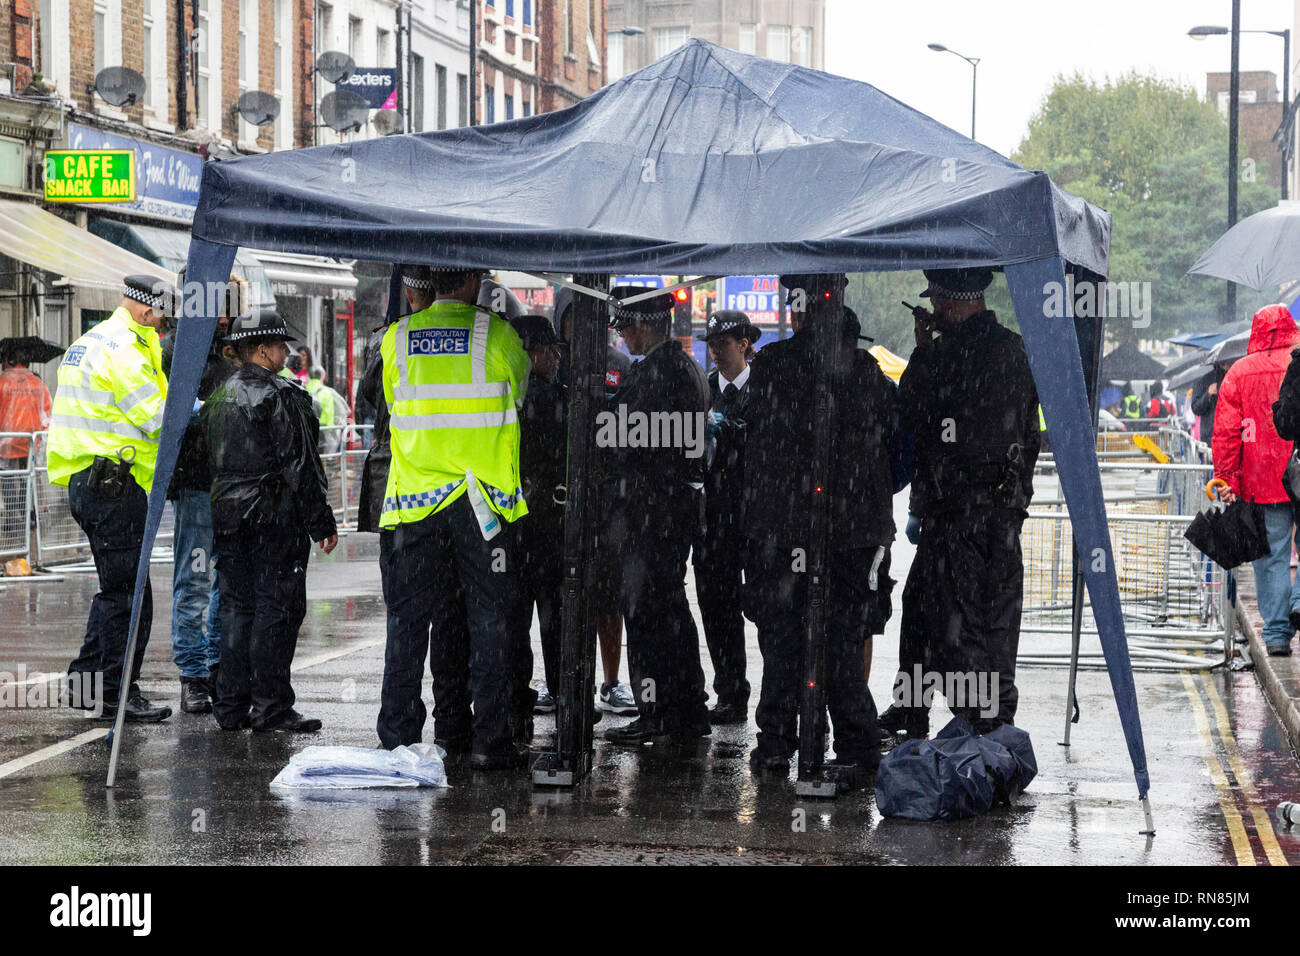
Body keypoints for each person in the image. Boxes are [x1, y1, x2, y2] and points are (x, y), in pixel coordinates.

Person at [376, 265, 531, 769]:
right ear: (471, 283)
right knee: (489, 620)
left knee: (407, 625)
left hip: (415, 502)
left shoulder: (397, 339)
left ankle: (398, 740)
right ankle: (490, 741)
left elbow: (394, 400)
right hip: (479, 502)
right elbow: (521, 394)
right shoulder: (499, 333)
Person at [741, 274, 892, 786]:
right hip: (853, 532)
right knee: (843, 645)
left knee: (783, 643)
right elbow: (898, 445)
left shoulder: (774, 367)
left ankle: (778, 746)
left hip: (785, 533)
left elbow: (747, 444)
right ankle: (855, 748)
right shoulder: (866, 372)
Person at [879, 268, 1040, 739]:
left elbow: (907, 413)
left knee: (952, 621)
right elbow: (1029, 433)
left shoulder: (942, 355)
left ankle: (976, 722)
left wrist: (924, 349)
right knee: (993, 617)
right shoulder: (1016, 350)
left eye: (936, 306)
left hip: (954, 515)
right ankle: (972, 713)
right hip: (1002, 511)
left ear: (949, 305)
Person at [203, 309, 338, 731]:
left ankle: (230, 704)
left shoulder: (218, 397)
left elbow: (200, 460)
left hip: (228, 517)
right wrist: (322, 522)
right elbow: (301, 465)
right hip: (273, 517)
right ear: (263, 350)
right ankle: (272, 706)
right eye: (281, 345)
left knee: (235, 609)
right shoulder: (281, 396)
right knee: (276, 611)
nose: (287, 352)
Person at [50, 275, 175, 722]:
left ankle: (87, 684)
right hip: (114, 487)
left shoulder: (92, 340)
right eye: (161, 315)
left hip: (88, 483)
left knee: (115, 592)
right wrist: (200, 409)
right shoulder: (127, 349)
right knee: (131, 596)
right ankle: (116, 692)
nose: (163, 324)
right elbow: (159, 418)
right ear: (146, 311)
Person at [601, 286, 713, 747]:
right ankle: (684, 707)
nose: (623, 336)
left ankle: (659, 712)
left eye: (626, 326)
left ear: (645, 323)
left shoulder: (659, 374)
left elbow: (620, 437)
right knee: (669, 610)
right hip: (668, 510)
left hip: (651, 512)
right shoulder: (682, 367)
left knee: (648, 614)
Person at [549, 287, 637, 716]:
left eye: (595, 318)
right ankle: (559, 681)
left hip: (608, 501)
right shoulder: (552, 363)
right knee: (561, 597)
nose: (585, 326)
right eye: (575, 317)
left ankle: (611, 681)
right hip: (559, 497)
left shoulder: (620, 365)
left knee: (608, 599)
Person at [161, 272, 243, 714]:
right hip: (197, 483)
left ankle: (213, 667)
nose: (226, 312)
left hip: (230, 484)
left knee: (224, 582)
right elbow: (171, 412)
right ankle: (193, 674)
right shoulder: (177, 348)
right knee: (194, 582)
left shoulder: (231, 347)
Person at [1215, 304, 1300, 656]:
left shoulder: (1239, 372)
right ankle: (1298, 600)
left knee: (1272, 557)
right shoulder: (1296, 362)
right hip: (1299, 471)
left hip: (1262, 479)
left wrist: (1226, 479)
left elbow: (1226, 434)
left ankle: (1278, 633)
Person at [692, 309, 760, 724]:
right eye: (712, 344)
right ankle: (730, 693)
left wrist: (731, 428)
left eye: (724, 343)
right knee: (717, 608)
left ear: (744, 345)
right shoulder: (703, 388)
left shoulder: (762, 388)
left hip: (753, 514)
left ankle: (777, 700)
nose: (716, 351)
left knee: (766, 608)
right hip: (713, 516)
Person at [508, 315, 569, 740]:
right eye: (550, 349)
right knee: (554, 620)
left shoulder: (502, 398)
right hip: (548, 520)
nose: (557, 357)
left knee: (514, 621)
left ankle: (516, 704)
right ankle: (565, 699)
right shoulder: (555, 399)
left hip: (510, 520)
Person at [0, 345, 51, 545]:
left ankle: (13, 515)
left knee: (6, 479)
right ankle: (27, 513)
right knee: (27, 479)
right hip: (31, 439)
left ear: (9, 361)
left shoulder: (2, 382)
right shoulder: (37, 383)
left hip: (6, 440)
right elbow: (46, 412)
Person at [1191, 364, 1229, 445]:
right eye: (1225, 364)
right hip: (1210, 435)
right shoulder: (1204, 378)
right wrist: (1208, 394)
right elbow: (1196, 408)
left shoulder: (1236, 376)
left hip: (1230, 433)